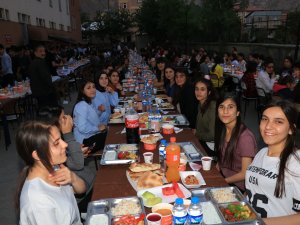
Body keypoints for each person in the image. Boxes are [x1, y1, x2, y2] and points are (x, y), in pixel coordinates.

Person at [15, 120, 85, 225]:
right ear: (37, 155)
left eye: (61, 139)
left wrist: (73, 178)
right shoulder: (37, 201)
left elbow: (81, 190)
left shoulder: (54, 167)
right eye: (56, 143)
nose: (65, 144)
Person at [245, 100, 300, 224]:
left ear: (291, 129)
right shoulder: (261, 152)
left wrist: (260, 222)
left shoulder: (296, 162)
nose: (268, 126)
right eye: (265, 119)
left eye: (278, 121)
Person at [215, 94, 257, 191]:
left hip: (238, 186)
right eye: (221, 107)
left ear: (238, 112)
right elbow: (222, 159)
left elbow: (245, 173)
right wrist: (214, 174)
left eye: (230, 107)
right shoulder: (225, 128)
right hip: (224, 177)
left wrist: (222, 181)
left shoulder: (245, 137)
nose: (225, 111)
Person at [73, 80, 107, 152]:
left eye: (93, 87)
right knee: (111, 137)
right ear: (82, 91)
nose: (92, 90)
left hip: (91, 135)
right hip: (84, 141)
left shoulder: (89, 101)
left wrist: (99, 111)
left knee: (112, 132)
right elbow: (82, 128)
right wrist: (98, 128)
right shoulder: (82, 105)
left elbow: (91, 117)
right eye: (88, 88)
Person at [194, 78, 217, 156]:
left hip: (211, 146)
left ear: (209, 92)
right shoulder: (200, 104)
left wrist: (196, 134)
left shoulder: (213, 107)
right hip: (201, 140)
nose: (198, 92)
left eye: (202, 89)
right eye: (196, 89)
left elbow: (212, 135)